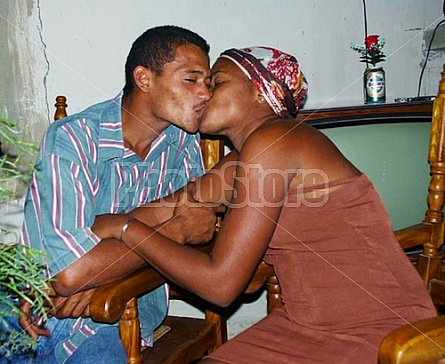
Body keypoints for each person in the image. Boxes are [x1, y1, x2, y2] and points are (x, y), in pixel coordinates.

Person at [91, 46, 437, 363]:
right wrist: (78, 277)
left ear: (260, 92)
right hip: (304, 326)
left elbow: (220, 286)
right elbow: (161, 212)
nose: (204, 93)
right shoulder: (237, 163)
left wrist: (125, 229)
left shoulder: (277, 140)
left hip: (380, 329)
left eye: (217, 82)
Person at [0, 25, 216, 363]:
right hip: (38, 315)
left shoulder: (181, 142)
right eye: (191, 80)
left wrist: (105, 262)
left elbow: (198, 235)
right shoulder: (73, 140)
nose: (205, 93)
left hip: (123, 310)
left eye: (208, 83)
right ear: (144, 79)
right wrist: (174, 230)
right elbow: (67, 273)